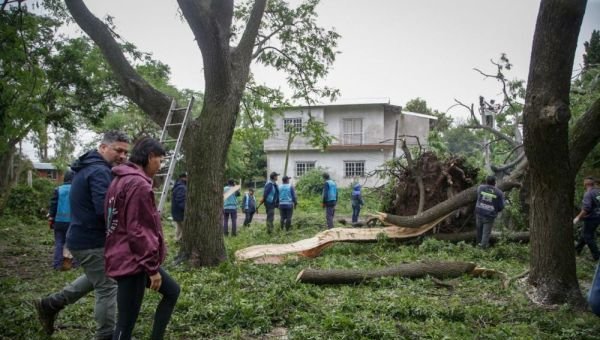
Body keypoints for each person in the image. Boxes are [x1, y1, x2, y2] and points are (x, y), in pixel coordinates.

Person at [34, 131, 130, 339]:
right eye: (118, 150)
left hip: (82, 238)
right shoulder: (99, 171)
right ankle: (106, 335)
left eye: (125, 152)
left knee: (95, 277)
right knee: (107, 286)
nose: (122, 156)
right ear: (103, 147)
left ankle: (51, 304)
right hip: (91, 241)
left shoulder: (90, 166)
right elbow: (105, 210)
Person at [104, 137, 180, 340]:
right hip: (133, 262)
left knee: (172, 291)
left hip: (126, 256)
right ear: (150, 157)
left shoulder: (118, 181)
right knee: (125, 323)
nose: (160, 165)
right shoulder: (138, 185)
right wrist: (152, 268)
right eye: (159, 161)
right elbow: (138, 231)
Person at [48, 170, 74, 270]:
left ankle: (57, 265)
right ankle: (73, 264)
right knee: (72, 243)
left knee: (59, 242)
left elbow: (53, 205)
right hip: (72, 221)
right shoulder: (77, 189)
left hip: (59, 221)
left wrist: (51, 218)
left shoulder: (58, 189)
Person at [474, 175, 505, 249]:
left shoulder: (480, 188)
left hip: (479, 213)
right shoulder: (499, 193)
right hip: (489, 216)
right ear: (495, 182)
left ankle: (477, 247)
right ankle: (482, 250)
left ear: (486, 181)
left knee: (479, 232)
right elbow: (501, 206)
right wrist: (495, 210)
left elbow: (479, 197)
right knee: (486, 233)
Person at [574, 177, 600, 261]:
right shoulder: (598, 192)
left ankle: (596, 256)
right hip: (597, 217)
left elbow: (586, 209)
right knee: (585, 234)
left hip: (591, 219)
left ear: (586, 184)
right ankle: (577, 250)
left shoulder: (588, 194)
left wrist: (578, 217)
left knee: (588, 236)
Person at [171, 173, 187, 242]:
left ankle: (177, 240)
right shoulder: (181, 187)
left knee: (179, 227)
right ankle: (180, 240)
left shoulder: (178, 185)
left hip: (176, 212)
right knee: (185, 228)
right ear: (183, 178)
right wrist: (186, 209)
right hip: (180, 213)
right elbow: (180, 201)